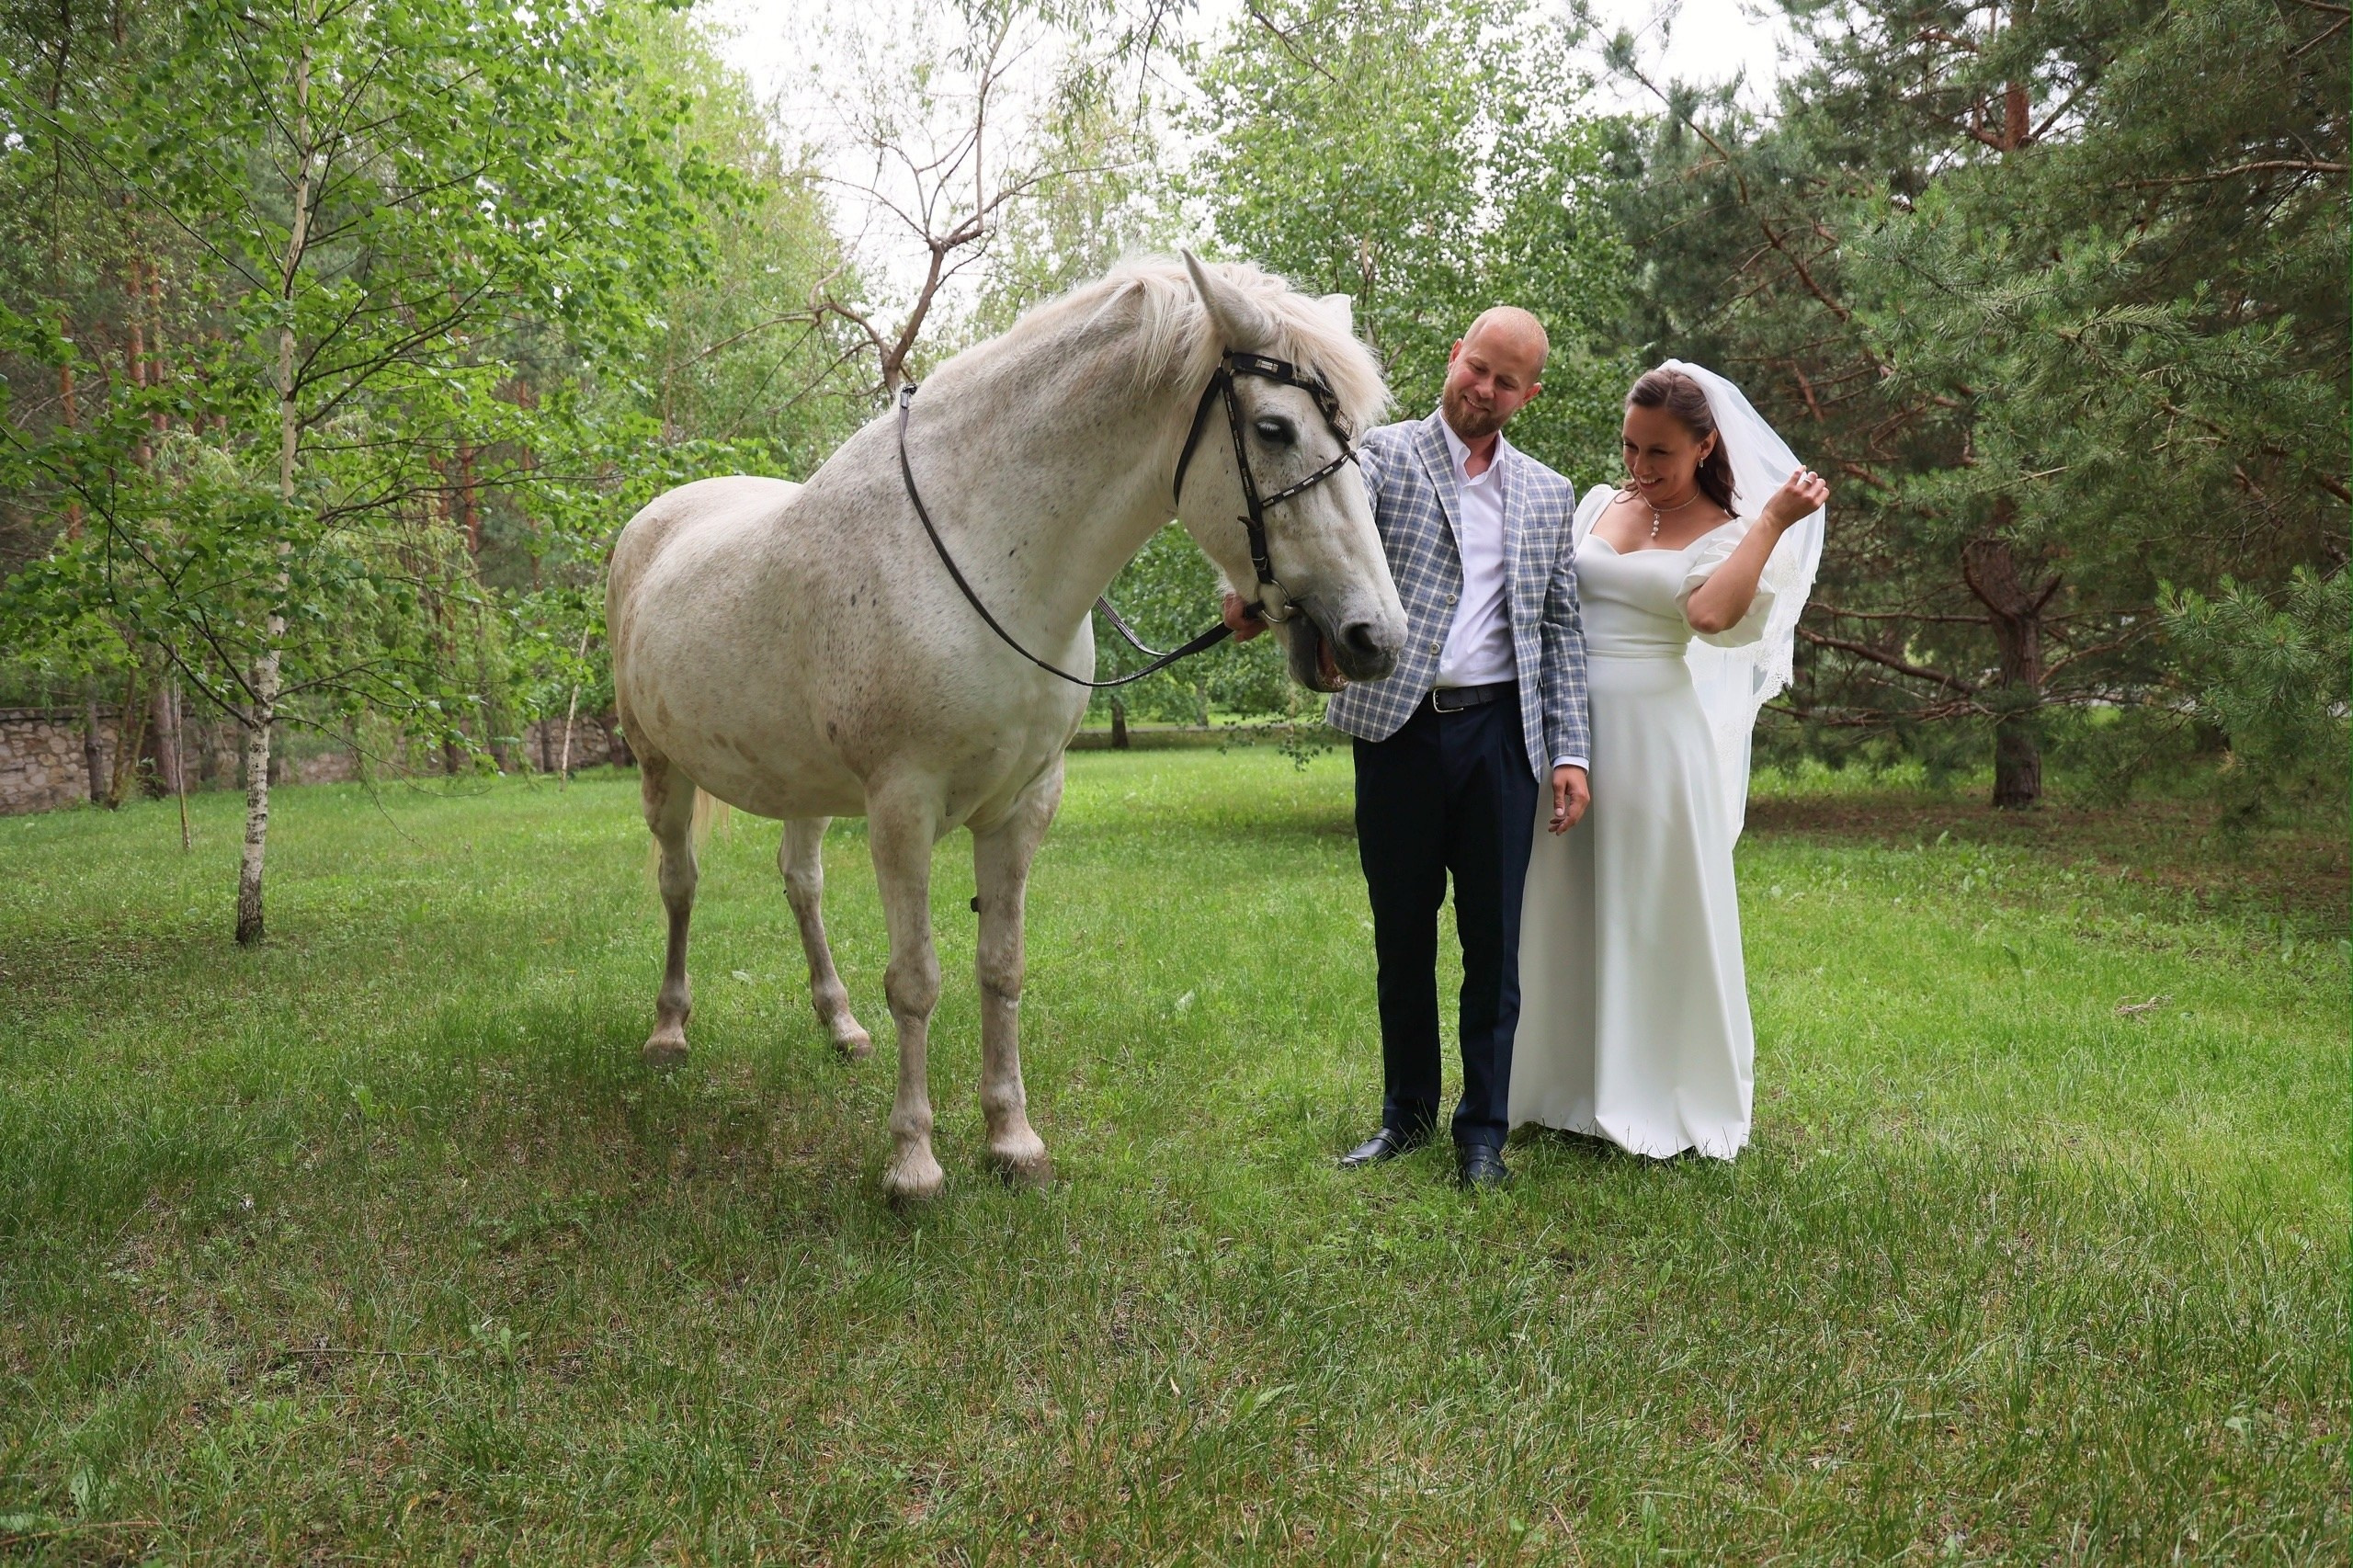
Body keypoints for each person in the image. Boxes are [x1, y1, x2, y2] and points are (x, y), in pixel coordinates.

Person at [1231, 307, 1590, 1189]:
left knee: (1493, 945)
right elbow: (1324, 555)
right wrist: (1257, 604)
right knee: (1402, 935)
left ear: (1529, 395)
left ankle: (1483, 1136)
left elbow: (1560, 630)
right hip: (1399, 730)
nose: (1486, 389)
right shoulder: (1381, 457)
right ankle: (1406, 1118)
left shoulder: (1549, 494)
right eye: (1478, 368)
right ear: (1454, 356)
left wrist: (1571, 752)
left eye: (1508, 381)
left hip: (1504, 739)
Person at [1508, 362, 1828, 1160]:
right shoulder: (1599, 505)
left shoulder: (1730, 528)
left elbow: (1714, 614)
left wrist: (1772, 521)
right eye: (1630, 448)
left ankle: (1655, 1087)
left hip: (1655, 737)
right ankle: (1559, 1085)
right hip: (1571, 729)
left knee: (1648, 909)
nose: (1640, 469)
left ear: (1704, 445)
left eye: (1660, 454)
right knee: (1566, 901)